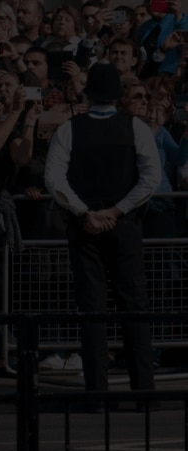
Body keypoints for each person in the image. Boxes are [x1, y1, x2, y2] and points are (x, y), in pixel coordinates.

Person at [44, 62, 161, 405]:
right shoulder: (135, 127)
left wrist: (85, 212)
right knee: (134, 306)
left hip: (85, 225)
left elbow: (54, 180)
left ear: (87, 92)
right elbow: (150, 178)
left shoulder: (69, 129)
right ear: (119, 95)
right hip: (122, 225)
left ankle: (96, 391)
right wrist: (116, 211)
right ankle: (143, 391)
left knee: (92, 310)